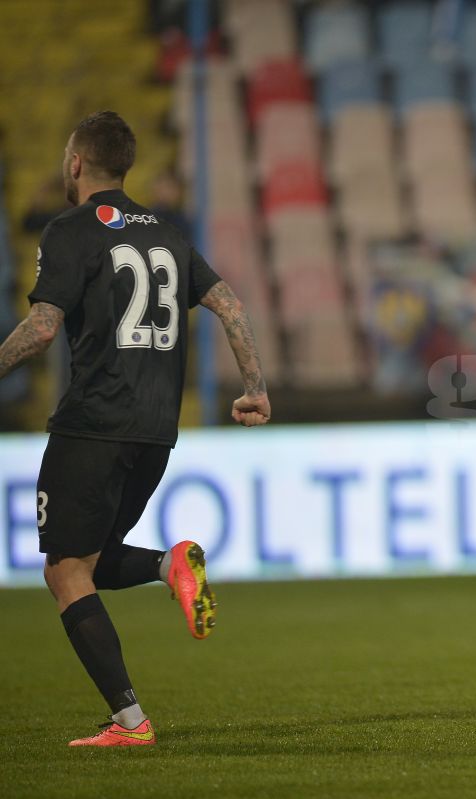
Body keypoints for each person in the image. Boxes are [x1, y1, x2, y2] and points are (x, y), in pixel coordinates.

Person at [0, 111, 271, 747]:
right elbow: (229, 307)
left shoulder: (68, 229)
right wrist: (255, 388)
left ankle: (130, 722)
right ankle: (167, 563)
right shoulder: (168, 234)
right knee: (86, 561)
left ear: (74, 163)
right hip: (156, 429)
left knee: (65, 571)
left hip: (93, 421)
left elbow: (42, 328)